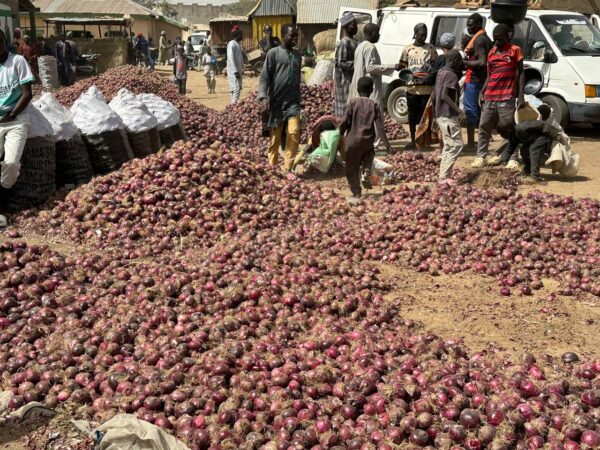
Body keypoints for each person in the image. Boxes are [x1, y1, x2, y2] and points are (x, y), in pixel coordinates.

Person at [472, 23, 525, 168]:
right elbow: (490, 75)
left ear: (507, 36)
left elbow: (521, 73)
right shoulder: (492, 53)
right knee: (484, 126)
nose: (497, 42)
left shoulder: (515, 51)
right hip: (490, 96)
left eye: (500, 39)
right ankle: (480, 156)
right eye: (495, 39)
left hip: (507, 97)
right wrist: (482, 91)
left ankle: (513, 157)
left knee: (509, 128)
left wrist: (521, 96)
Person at [0, 29, 34, 227]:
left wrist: (10, 114)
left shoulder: (17, 61)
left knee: (11, 163)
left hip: (15, 119)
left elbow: (27, 93)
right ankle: (1, 208)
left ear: (4, 42)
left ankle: (2, 199)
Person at [258, 24, 302, 174]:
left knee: (294, 131)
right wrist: (263, 96)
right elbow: (264, 77)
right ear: (283, 36)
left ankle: (288, 167)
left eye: (296, 36)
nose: (295, 39)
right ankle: (272, 167)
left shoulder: (298, 55)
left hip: (293, 102)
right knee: (275, 138)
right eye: (291, 36)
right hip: (277, 102)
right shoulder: (273, 53)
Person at [339, 76, 389, 200]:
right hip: (368, 141)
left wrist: (338, 134)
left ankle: (356, 191)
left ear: (357, 89)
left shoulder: (352, 103)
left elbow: (344, 122)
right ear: (371, 90)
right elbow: (380, 128)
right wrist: (388, 145)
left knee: (351, 168)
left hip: (353, 142)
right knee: (369, 156)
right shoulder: (374, 105)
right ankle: (366, 172)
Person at [399, 23, 437, 149]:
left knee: (424, 116)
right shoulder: (407, 49)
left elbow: (434, 67)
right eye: (421, 35)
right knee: (411, 115)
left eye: (425, 35)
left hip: (425, 89)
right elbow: (402, 66)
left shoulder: (431, 48)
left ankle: (424, 141)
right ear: (415, 34)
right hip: (412, 88)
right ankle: (413, 140)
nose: (423, 37)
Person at [349, 23, 400, 114]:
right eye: (377, 32)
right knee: (373, 113)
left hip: (359, 85)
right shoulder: (370, 47)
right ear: (370, 33)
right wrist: (393, 66)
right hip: (369, 87)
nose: (379, 35)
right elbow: (370, 68)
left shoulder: (360, 46)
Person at [432, 49, 465, 180]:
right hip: (448, 115)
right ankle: (444, 177)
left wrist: (435, 115)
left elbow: (435, 95)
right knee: (456, 145)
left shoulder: (441, 72)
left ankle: (444, 176)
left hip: (441, 114)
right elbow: (445, 96)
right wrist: (459, 111)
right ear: (456, 61)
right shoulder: (451, 76)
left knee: (448, 145)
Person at [462, 13, 493, 150]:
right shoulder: (485, 38)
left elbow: (482, 62)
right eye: (467, 24)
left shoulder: (479, 40)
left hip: (474, 79)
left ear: (479, 25)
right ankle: (482, 141)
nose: (468, 27)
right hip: (483, 79)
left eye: (471, 25)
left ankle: (470, 143)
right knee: (481, 110)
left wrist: (465, 63)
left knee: (471, 111)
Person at [333, 13, 358, 119]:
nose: (356, 27)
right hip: (344, 81)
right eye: (353, 25)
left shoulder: (354, 42)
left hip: (352, 80)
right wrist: (357, 64)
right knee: (345, 108)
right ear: (346, 27)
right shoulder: (344, 43)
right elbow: (341, 63)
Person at [227, 28, 244, 104]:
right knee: (236, 89)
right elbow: (230, 58)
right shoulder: (232, 44)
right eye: (241, 34)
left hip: (238, 70)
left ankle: (233, 105)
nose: (242, 36)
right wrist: (235, 71)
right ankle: (233, 107)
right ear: (237, 35)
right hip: (234, 71)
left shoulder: (238, 44)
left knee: (235, 89)